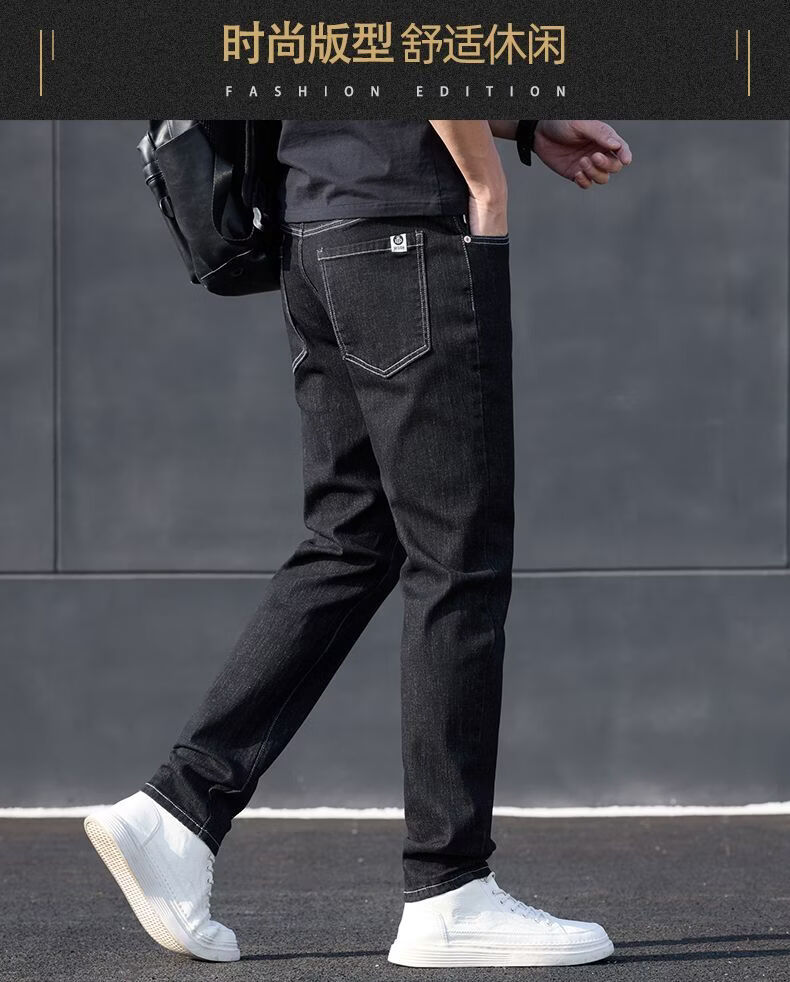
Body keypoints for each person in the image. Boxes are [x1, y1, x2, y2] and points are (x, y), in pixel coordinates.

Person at [84, 119, 632, 968]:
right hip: (407, 227)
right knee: (457, 558)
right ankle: (449, 890)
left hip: (316, 232)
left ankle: (178, 810)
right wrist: (487, 185)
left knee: (351, 538)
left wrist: (523, 125)